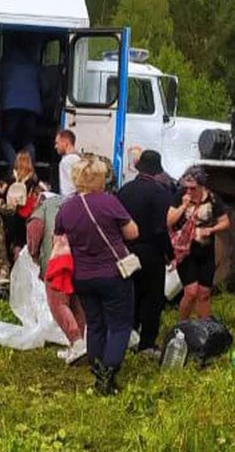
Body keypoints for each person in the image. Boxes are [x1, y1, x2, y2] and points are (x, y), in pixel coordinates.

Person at [54, 156, 139, 395]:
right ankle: (108, 376)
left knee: (95, 324)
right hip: (113, 274)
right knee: (119, 325)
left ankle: (97, 368)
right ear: (100, 179)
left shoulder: (66, 207)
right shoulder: (109, 202)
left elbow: (59, 238)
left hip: (82, 276)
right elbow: (132, 232)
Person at [117, 150, 174, 356]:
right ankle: (147, 343)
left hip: (128, 251)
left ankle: (128, 336)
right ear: (156, 170)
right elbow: (161, 229)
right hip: (152, 252)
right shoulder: (160, 193)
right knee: (152, 298)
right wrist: (170, 253)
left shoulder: (125, 190)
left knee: (131, 293)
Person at [27, 191, 87, 365]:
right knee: (76, 304)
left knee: (58, 304)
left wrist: (35, 254)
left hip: (56, 262)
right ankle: (78, 345)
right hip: (81, 263)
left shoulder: (44, 208)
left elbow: (34, 231)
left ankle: (76, 343)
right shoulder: (78, 204)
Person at [168, 166, 230, 320]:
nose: (189, 191)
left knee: (204, 292)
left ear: (202, 186)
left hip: (206, 249)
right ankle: (181, 325)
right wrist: (183, 206)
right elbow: (169, 221)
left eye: (193, 188)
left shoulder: (213, 199)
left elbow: (225, 222)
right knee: (191, 291)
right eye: (186, 187)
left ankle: (204, 328)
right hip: (186, 250)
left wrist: (212, 229)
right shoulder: (180, 196)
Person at [0, 35, 43, 167]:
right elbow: (43, 85)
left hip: (11, 107)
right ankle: (30, 170)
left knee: (5, 139)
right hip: (33, 108)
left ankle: (15, 167)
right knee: (27, 141)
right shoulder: (33, 64)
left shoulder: (4, 63)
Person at [54, 129, 82, 197]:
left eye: (57, 143)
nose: (55, 147)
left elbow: (67, 190)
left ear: (65, 143)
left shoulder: (66, 162)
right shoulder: (80, 159)